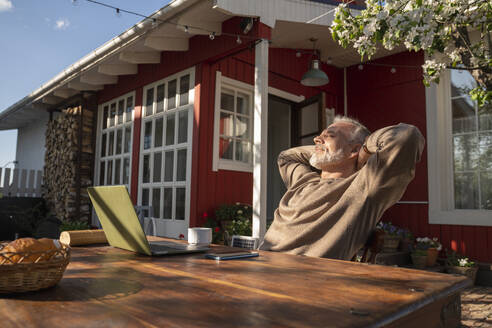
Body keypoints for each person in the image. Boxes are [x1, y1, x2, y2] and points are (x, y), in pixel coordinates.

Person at [259, 116, 425, 260]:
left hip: (299, 281)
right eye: (318, 137)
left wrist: (364, 151)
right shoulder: (303, 180)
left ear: (354, 149)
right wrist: (324, 149)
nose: (317, 139)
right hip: (260, 262)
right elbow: (286, 157)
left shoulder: (366, 186)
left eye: (329, 135)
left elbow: (407, 136)